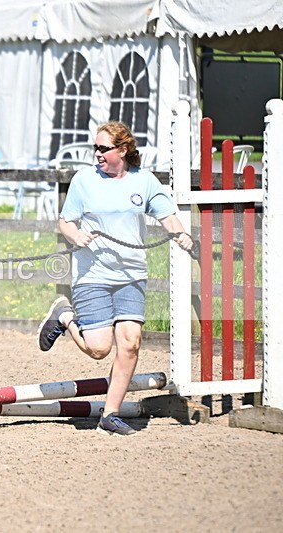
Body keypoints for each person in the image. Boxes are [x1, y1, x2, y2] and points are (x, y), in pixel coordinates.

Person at [36, 121, 193, 437]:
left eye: (103, 148)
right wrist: (76, 236)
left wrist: (181, 235)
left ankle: (110, 414)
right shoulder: (84, 181)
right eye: (95, 147)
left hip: (131, 275)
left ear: (123, 150)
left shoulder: (144, 181)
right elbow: (65, 221)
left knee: (131, 343)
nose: (97, 154)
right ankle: (64, 315)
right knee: (98, 349)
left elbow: (167, 215)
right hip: (92, 275)